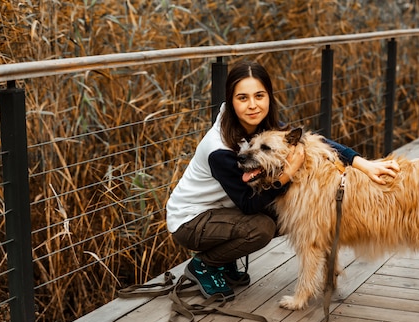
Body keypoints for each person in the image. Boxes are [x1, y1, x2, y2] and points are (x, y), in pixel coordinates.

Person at [166, 60, 399, 301]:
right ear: (231, 100)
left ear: (269, 97)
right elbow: (249, 205)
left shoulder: (262, 124)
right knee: (264, 227)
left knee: (300, 211)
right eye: (243, 98)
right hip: (192, 220)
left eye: (259, 96)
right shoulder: (218, 149)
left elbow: (314, 142)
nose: (253, 105)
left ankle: (224, 261)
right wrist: (287, 176)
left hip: (225, 212)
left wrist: (362, 163)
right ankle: (205, 264)